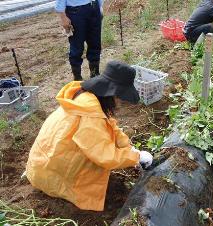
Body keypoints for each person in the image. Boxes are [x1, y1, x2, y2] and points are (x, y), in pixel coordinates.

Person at [25, 61, 153, 211]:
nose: (120, 102)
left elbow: (110, 126)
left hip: (42, 163)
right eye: (120, 97)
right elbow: (105, 155)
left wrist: (129, 147)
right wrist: (135, 158)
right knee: (93, 178)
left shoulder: (87, 99)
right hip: (52, 174)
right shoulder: (91, 118)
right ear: (112, 93)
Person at [55, 0, 103, 81]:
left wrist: (100, 6)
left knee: (95, 43)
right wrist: (63, 17)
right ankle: (77, 78)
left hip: (94, 7)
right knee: (76, 48)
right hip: (75, 12)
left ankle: (95, 75)